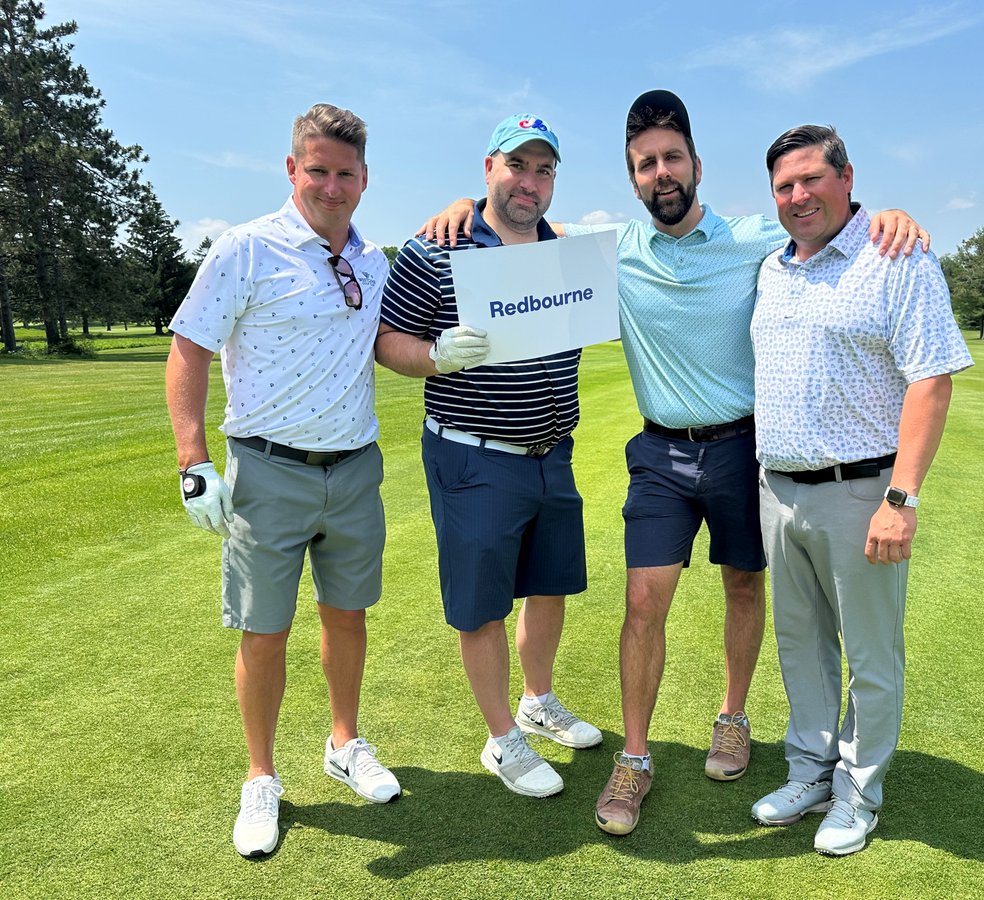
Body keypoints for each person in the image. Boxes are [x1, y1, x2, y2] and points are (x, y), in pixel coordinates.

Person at [419, 90, 928, 836]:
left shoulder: (756, 237)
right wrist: (467, 201)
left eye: (671, 158)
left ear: (696, 164)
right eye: (645, 163)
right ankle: (635, 756)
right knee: (643, 603)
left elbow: (821, 223)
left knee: (745, 588)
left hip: (746, 450)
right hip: (659, 452)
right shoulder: (610, 250)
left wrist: (882, 212)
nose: (661, 172)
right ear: (632, 179)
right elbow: (522, 223)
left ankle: (733, 717)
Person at [165, 103, 399, 859]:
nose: (333, 186)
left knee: (348, 617)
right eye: (319, 170)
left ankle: (343, 742)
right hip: (269, 469)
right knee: (264, 632)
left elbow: (387, 340)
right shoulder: (247, 248)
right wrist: (193, 460)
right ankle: (261, 776)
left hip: (355, 467)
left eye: (347, 174)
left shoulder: (372, 259)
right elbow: (189, 347)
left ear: (365, 179)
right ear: (292, 169)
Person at [749, 124, 972, 856]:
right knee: (801, 644)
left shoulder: (896, 255)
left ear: (847, 179)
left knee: (871, 656)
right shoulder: (772, 265)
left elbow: (930, 380)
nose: (798, 195)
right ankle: (810, 770)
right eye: (785, 185)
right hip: (777, 489)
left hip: (863, 490)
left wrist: (901, 498)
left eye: (811, 179)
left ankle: (858, 792)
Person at [374, 114, 601, 800]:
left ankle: (537, 699)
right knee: (481, 604)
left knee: (551, 583)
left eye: (544, 171)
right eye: (518, 167)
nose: (530, 182)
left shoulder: (563, 247)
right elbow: (389, 340)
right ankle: (503, 738)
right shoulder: (432, 247)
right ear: (488, 168)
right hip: (473, 455)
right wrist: (436, 357)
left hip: (550, 451)